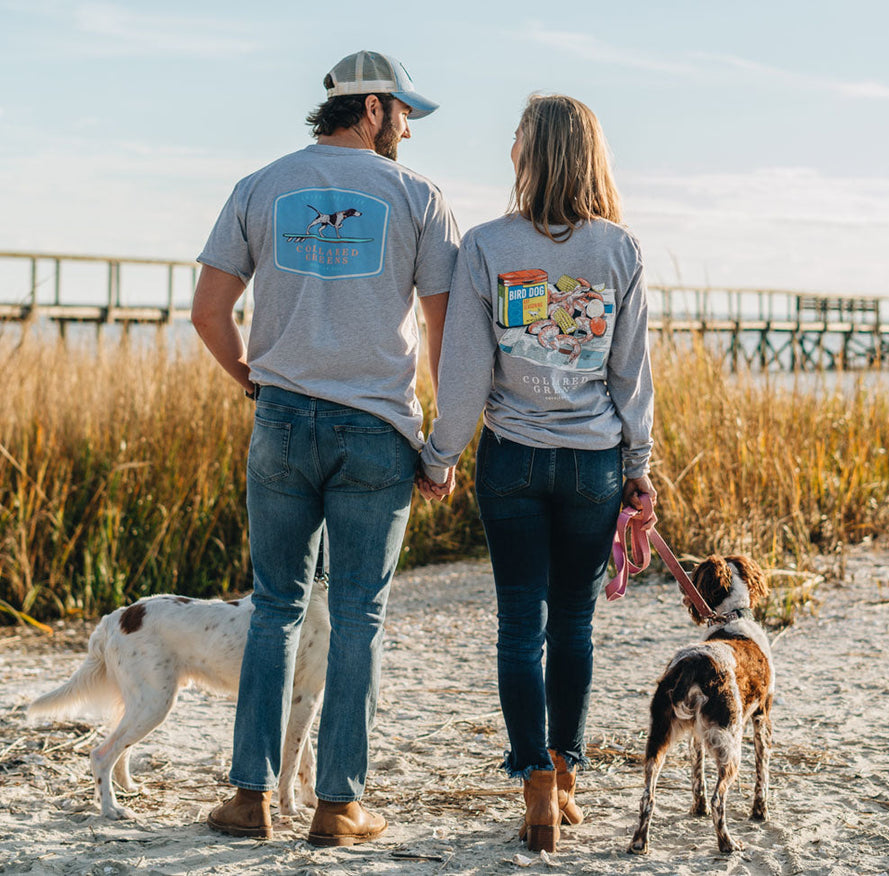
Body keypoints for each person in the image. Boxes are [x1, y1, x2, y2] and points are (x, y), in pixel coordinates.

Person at [191, 50, 459, 846]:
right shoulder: (419, 197)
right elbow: (444, 334)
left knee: (274, 608)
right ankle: (338, 807)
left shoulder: (261, 186)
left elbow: (207, 312)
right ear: (372, 108)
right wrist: (440, 447)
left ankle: (249, 800)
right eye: (403, 111)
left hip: (281, 420)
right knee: (357, 616)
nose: (408, 126)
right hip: (376, 429)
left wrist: (254, 381)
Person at [417, 94, 656, 853]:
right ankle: (565, 772)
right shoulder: (619, 249)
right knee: (574, 623)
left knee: (521, 625)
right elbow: (631, 377)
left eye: (517, 137)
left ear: (532, 151)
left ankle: (536, 789)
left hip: (512, 459)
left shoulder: (486, 245)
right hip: (592, 463)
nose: (511, 147)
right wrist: (639, 466)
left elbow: (464, 374)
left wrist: (440, 456)